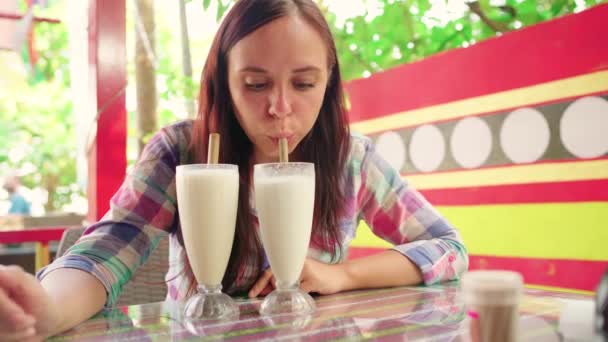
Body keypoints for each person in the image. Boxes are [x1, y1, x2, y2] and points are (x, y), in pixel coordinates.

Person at [0, 0, 468, 339]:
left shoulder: (353, 162)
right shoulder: (183, 152)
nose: (280, 107)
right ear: (224, 81)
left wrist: (341, 275)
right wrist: (45, 309)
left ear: (328, 83)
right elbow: (107, 251)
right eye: (255, 84)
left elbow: (448, 249)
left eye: (304, 83)